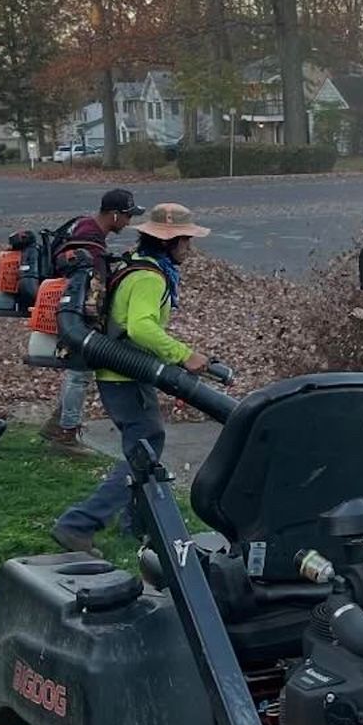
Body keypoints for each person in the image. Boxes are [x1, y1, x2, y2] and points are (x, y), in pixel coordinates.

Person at [52, 202, 212, 553]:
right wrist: (185, 355)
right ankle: (78, 524)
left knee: (139, 447)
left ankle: (135, 525)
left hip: (120, 370)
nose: (190, 247)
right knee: (145, 448)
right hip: (126, 374)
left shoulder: (136, 263)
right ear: (170, 243)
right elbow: (140, 327)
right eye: (186, 241)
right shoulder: (150, 277)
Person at [41, 187, 144, 454]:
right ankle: (65, 434)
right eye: (127, 216)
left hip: (71, 314)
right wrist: (93, 326)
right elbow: (89, 291)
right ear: (113, 215)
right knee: (80, 373)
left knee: (78, 373)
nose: (129, 222)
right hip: (77, 318)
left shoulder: (84, 229)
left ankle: (57, 424)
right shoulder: (88, 245)